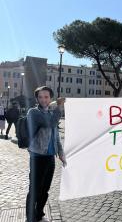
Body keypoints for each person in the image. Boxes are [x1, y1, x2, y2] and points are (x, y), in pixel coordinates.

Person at [26, 86, 67, 222]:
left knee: (45, 189)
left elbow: (56, 137)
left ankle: (39, 214)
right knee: (35, 189)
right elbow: (51, 124)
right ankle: (30, 217)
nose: (43, 99)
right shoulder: (33, 112)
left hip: (50, 157)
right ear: (37, 98)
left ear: (50, 98)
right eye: (41, 97)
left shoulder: (50, 113)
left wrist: (60, 153)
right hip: (37, 157)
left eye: (46, 97)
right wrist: (59, 107)